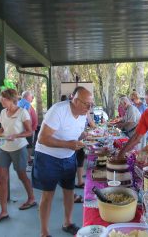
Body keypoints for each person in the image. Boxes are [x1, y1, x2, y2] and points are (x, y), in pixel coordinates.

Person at [32, 87, 93, 236]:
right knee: (48, 194)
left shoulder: (83, 114)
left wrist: (85, 137)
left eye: (91, 104)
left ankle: (68, 222)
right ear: (76, 100)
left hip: (68, 157)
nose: (89, 108)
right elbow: (43, 138)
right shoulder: (58, 110)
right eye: (87, 104)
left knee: (69, 191)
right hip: (48, 157)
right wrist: (69, 144)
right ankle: (44, 232)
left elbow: (75, 133)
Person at [0, 89, 36, 225]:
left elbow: (29, 132)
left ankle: (31, 198)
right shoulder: (3, 112)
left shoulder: (23, 112)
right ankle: (3, 211)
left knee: (21, 175)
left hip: (18, 147)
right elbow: (3, 129)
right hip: (4, 147)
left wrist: (15, 136)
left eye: (3, 99)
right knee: (2, 178)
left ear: (11, 99)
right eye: (1, 99)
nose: (1, 101)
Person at [18, 91, 38, 171]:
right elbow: (26, 115)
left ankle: (27, 160)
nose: (32, 98)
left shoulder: (19, 102)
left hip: (24, 128)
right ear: (27, 97)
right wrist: (28, 128)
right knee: (28, 145)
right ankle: (27, 163)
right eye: (31, 96)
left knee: (25, 145)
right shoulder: (26, 103)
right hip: (28, 129)